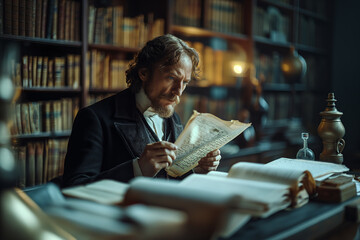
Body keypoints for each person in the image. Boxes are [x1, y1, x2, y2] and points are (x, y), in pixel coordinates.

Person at [62, 34, 221, 187]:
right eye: (171, 78)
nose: (178, 91)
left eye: (184, 82)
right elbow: (74, 187)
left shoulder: (174, 119)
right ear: (144, 73)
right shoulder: (93, 118)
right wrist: (137, 169)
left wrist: (196, 168)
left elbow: (170, 178)